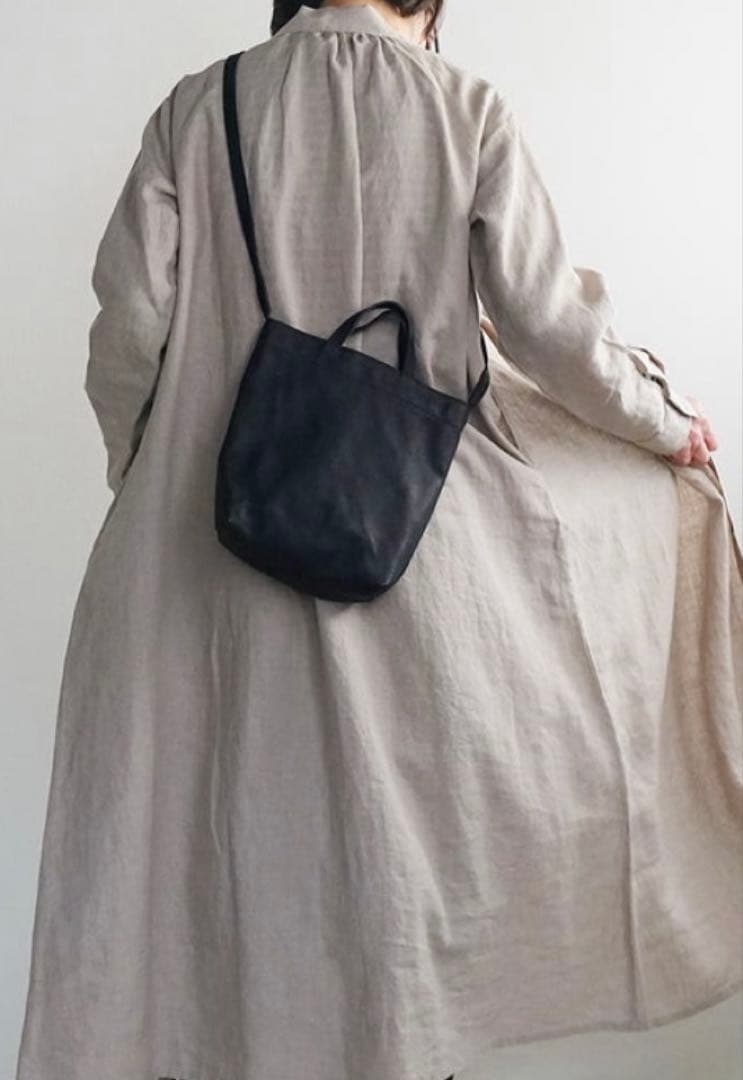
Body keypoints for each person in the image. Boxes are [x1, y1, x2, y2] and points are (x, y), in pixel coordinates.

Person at [15, 2, 742, 1080]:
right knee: (394, 916)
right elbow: (551, 328)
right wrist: (663, 422)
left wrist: (143, 472)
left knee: (225, 912)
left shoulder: (198, 109)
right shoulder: (466, 111)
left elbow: (127, 332)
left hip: (204, 590)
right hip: (409, 581)